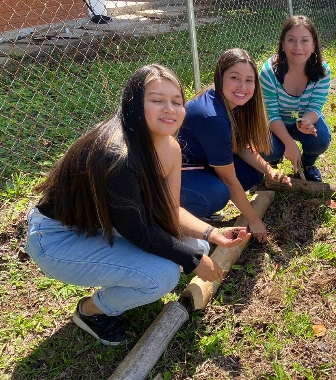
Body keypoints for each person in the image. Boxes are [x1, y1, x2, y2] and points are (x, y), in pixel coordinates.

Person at [25, 64, 250, 346]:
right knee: (163, 276)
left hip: (108, 222)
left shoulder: (170, 146)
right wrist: (192, 262)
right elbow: (139, 231)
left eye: (176, 101)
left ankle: (137, 273)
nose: (169, 108)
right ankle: (91, 311)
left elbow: (169, 210)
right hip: (59, 238)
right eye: (157, 100)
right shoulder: (118, 154)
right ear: (133, 104)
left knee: (198, 246)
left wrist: (211, 233)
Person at [178, 48, 291, 243]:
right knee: (219, 193)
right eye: (234, 78)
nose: (242, 86)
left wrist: (269, 171)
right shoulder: (212, 116)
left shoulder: (233, 103)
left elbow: (240, 146)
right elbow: (229, 180)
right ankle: (187, 215)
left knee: (252, 172)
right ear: (220, 77)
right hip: (176, 175)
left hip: (200, 164)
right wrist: (254, 220)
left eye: (249, 80)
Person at [259, 15, 332, 182]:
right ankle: (272, 165)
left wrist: (304, 122)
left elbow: (315, 107)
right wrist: (289, 144)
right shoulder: (268, 72)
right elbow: (271, 115)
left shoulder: (323, 71)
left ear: (314, 45)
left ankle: (308, 165)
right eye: (291, 40)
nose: (298, 47)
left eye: (304, 40)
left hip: (302, 118)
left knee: (320, 139)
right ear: (283, 44)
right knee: (269, 149)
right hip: (274, 123)